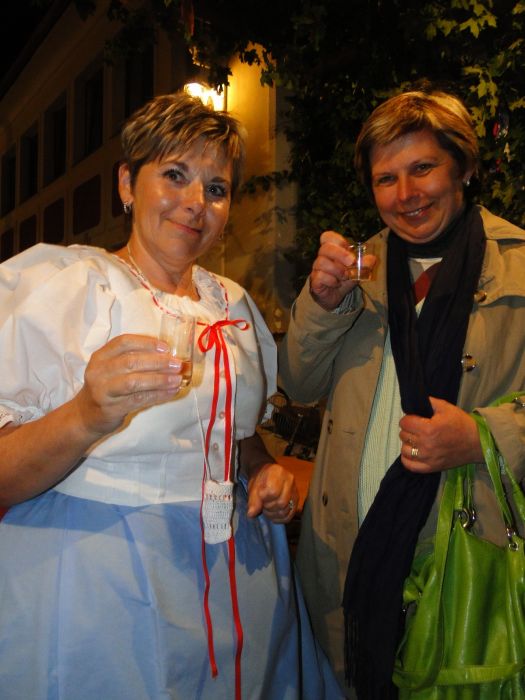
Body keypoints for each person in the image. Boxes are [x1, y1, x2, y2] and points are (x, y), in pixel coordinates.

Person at [0, 92, 342, 699]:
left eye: (217, 187)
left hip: (237, 571)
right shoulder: (70, 286)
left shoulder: (232, 304)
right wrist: (86, 415)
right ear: (127, 184)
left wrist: (262, 470)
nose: (196, 203)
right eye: (175, 175)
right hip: (99, 579)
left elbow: (237, 438)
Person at [278, 86, 525, 698]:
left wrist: (483, 436)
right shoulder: (359, 269)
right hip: (347, 559)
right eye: (385, 178)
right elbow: (298, 383)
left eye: (423, 168)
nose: (406, 193)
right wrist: (323, 304)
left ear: (464, 167)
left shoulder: (519, 266)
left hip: (463, 563)